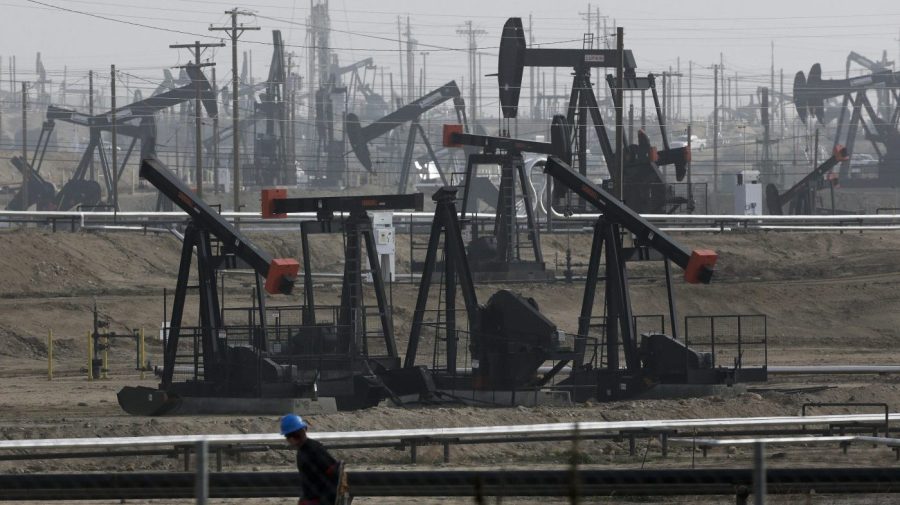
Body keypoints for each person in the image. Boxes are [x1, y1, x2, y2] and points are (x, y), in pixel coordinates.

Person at [280, 413, 343, 505]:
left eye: (296, 435)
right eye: (289, 436)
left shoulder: (314, 449)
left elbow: (334, 475)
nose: (293, 440)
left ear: (304, 430)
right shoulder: (302, 452)